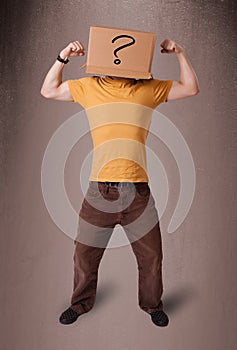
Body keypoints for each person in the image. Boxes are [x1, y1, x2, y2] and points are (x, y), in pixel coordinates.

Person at [40, 37, 199, 327]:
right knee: (84, 256)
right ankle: (79, 304)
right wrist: (63, 56)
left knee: (152, 258)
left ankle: (152, 306)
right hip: (100, 190)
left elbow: (190, 88)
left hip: (138, 192)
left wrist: (180, 53)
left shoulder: (147, 89)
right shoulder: (90, 87)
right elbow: (48, 90)